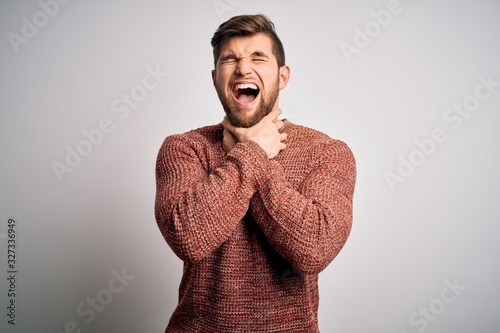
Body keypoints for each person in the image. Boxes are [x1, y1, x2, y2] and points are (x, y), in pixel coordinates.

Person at [155, 14, 356, 332]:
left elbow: (314, 249)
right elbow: (188, 237)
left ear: (283, 75)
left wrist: (253, 159)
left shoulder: (327, 152)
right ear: (215, 77)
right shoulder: (184, 149)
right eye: (230, 59)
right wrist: (254, 152)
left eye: (258, 57)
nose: (243, 68)